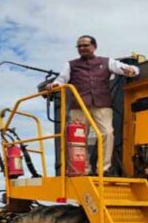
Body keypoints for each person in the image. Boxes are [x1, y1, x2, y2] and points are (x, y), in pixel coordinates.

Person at [47, 35, 140, 175]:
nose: (82, 48)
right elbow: (61, 80)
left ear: (94, 47)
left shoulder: (107, 62)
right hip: (79, 106)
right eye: (79, 46)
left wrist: (132, 71)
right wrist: (54, 85)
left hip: (102, 104)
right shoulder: (70, 65)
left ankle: (104, 169)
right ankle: (82, 169)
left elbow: (130, 69)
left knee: (107, 133)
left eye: (85, 45)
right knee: (77, 137)